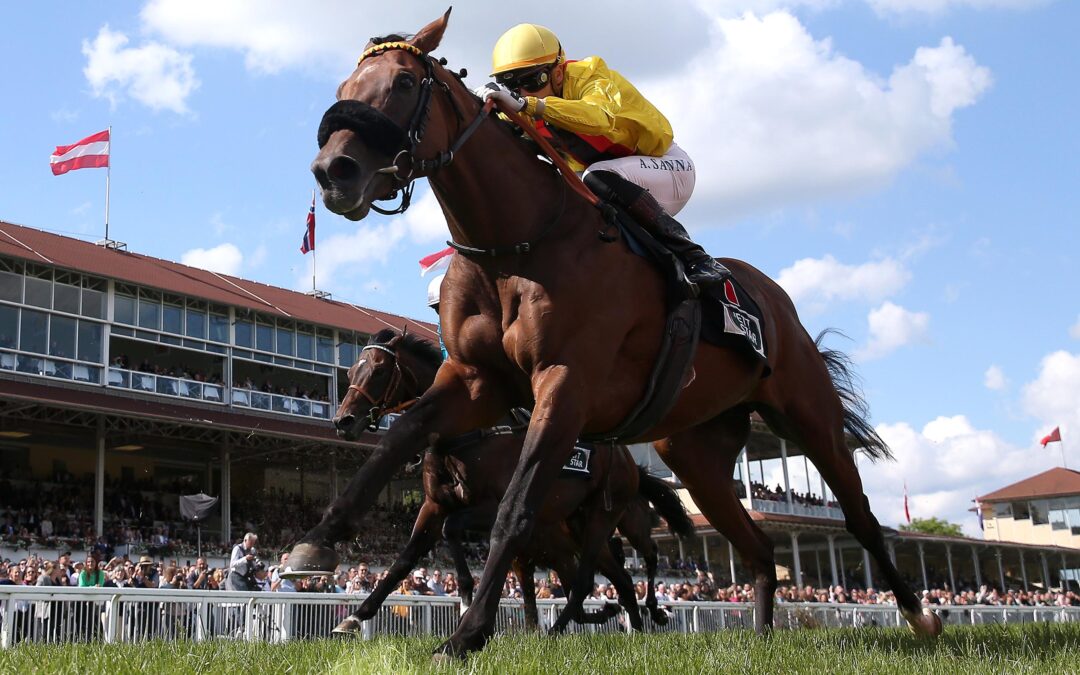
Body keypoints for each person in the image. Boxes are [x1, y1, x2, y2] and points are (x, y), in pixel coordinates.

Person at [476, 23, 728, 292]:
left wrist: (529, 105)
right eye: (511, 85)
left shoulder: (590, 73)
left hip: (668, 168)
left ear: (559, 71)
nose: (523, 92)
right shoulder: (525, 105)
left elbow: (599, 119)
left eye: (531, 81)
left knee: (595, 176)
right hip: (610, 179)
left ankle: (695, 257)